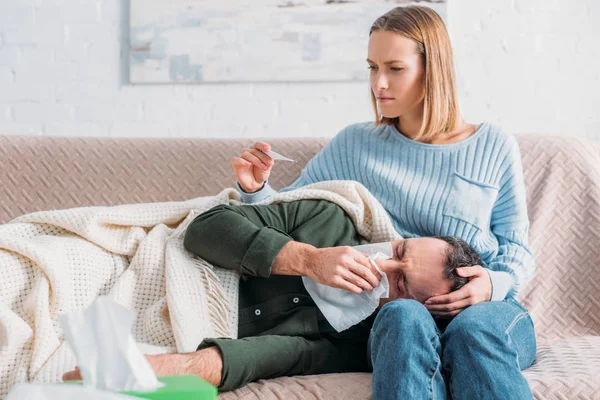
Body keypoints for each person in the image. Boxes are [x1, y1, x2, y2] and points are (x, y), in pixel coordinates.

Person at [231, 5, 536, 400]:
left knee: (472, 330)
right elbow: (290, 211)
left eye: (394, 68)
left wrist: (493, 284)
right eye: (372, 68)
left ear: (433, 70)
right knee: (402, 317)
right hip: (398, 309)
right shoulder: (356, 145)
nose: (379, 83)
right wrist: (255, 189)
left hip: (488, 309)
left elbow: (516, 247)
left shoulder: (493, 145)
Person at [61, 199, 482, 390]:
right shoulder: (327, 220)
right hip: (135, 263)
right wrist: (307, 258)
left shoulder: (355, 341)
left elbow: (280, 355)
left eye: (401, 284)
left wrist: (165, 366)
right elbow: (204, 230)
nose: (383, 267)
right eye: (399, 252)